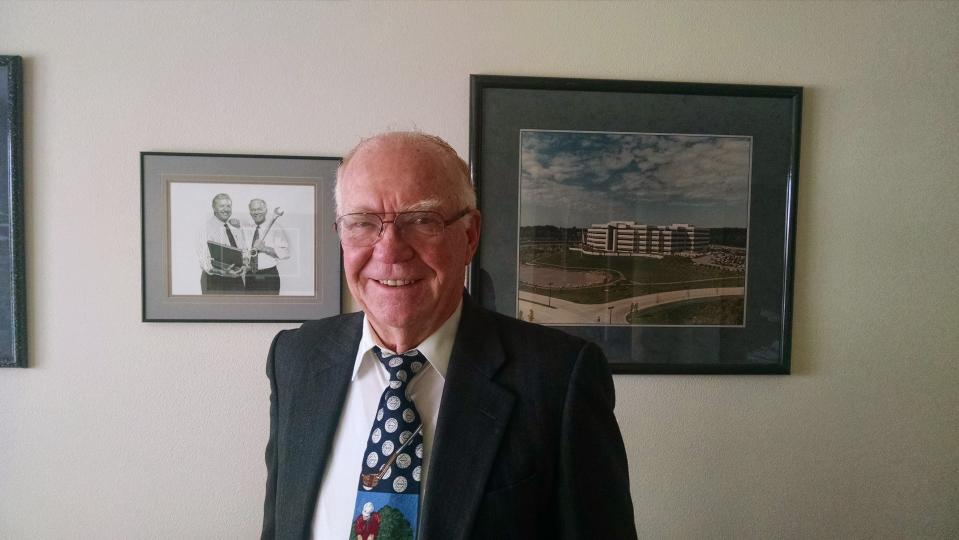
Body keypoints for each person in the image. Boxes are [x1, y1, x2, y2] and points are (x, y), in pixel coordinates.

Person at [261, 132, 636, 539]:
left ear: (470, 236)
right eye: (363, 223)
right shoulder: (295, 358)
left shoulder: (559, 379)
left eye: (422, 220)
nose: (390, 250)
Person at [196, 193, 246, 294]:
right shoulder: (205, 229)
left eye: (228, 206)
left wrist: (244, 264)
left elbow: (243, 250)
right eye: (222, 206)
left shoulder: (235, 227)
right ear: (214, 208)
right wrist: (224, 272)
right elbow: (204, 261)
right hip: (215, 281)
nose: (226, 209)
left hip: (236, 279)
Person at [245, 198, 290, 295]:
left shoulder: (276, 228)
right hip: (250, 276)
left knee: (270, 308)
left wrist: (265, 249)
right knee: (250, 308)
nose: (256, 212)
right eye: (253, 210)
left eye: (259, 209)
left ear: (265, 210)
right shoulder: (247, 228)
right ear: (250, 212)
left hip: (269, 277)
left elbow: (285, 252)